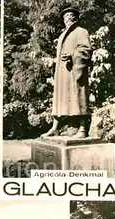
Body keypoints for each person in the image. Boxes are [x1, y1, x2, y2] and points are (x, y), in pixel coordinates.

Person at [41, 7, 92, 138]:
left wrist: (72, 56)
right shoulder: (62, 35)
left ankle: (82, 129)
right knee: (59, 98)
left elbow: (86, 50)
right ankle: (55, 127)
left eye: (71, 15)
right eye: (66, 16)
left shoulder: (81, 32)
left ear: (76, 18)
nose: (68, 18)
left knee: (78, 98)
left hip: (76, 70)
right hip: (63, 72)